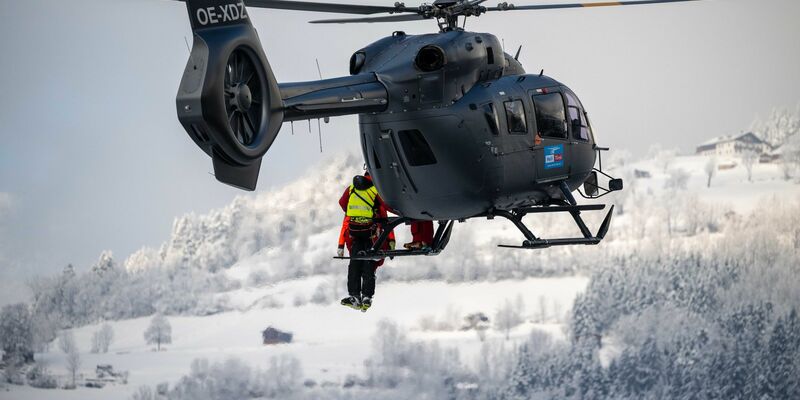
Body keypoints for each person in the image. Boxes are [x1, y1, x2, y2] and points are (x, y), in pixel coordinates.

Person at [337, 173, 394, 311]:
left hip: (355, 232)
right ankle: (367, 296)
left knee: (354, 264)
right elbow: (386, 208)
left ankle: (354, 296)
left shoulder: (351, 188)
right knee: (369, 264)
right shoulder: (375, 189)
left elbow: (342, 203)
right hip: (370, 233)